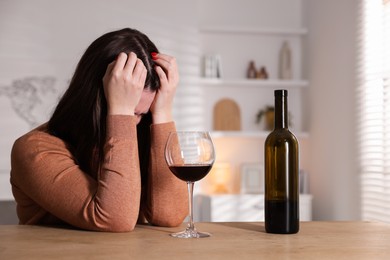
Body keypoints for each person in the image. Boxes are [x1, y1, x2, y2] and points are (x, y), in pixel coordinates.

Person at [10, 28, 188, 232]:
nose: (134, 124)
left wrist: (163, 112)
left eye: (141, 114)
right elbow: (116, 219)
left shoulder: (139, 139)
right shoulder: (33, 150)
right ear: (92, 100)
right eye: (128, 111)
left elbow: (170, 215)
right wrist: (121, 112)